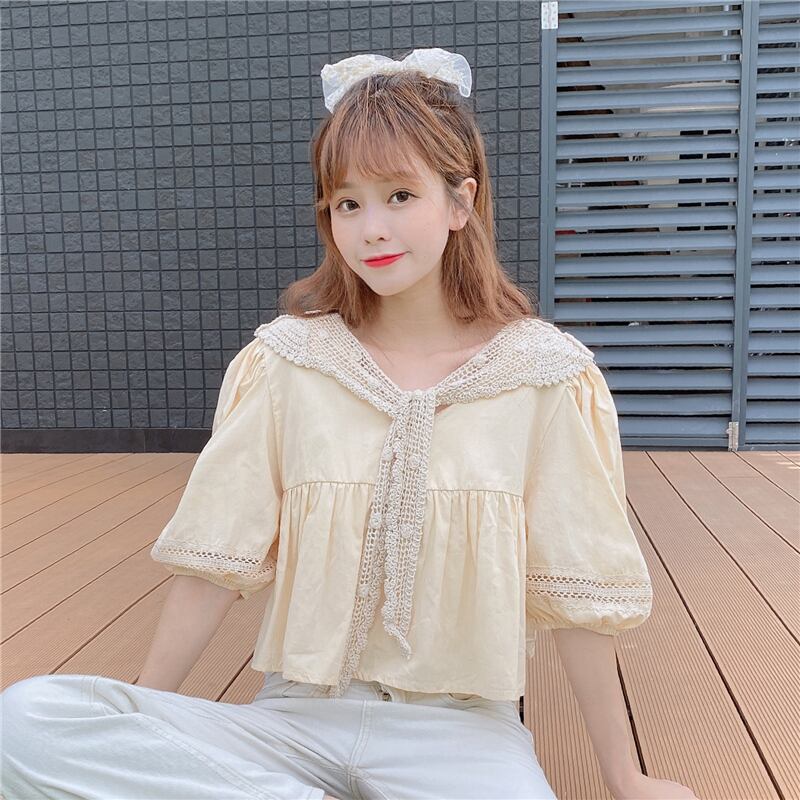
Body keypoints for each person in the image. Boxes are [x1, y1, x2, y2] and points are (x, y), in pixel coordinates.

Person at [1, 48, 698, 800]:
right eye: (347, 204)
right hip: (292, 723)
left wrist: (624, 777)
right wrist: (147, 722)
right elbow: (213, 562)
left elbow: (581, 593)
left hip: (461, 734)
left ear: (460, 202)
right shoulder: (288, 364)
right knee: (28, 719)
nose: (372, 229)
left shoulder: (545, 377)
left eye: (400, 195)